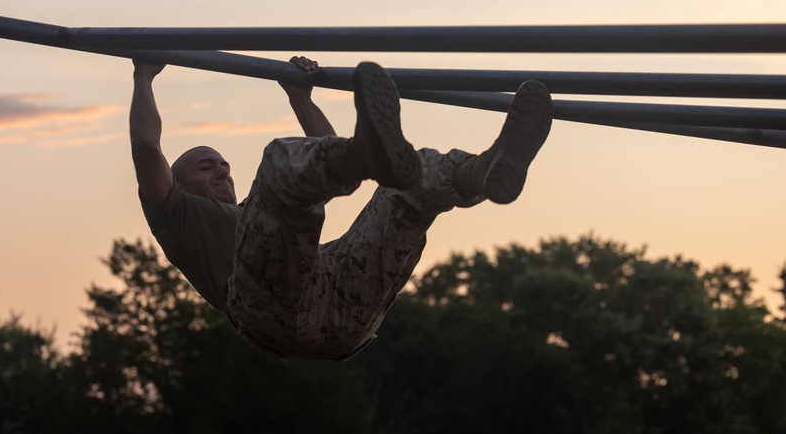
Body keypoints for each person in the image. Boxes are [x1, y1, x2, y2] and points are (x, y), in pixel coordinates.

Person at [130, 56, 552, 360]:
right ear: (178, 183)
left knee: (401, 189)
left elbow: (321, 155)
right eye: (207, 167)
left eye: (224, 165)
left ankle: (482, 172)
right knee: (279, 163)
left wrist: (301, 99)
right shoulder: (176, 214)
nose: (222, 170)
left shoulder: (260, 216)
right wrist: (144, 76)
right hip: (263, 312)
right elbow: (147, 149)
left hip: (345, 314)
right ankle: (365, 154)